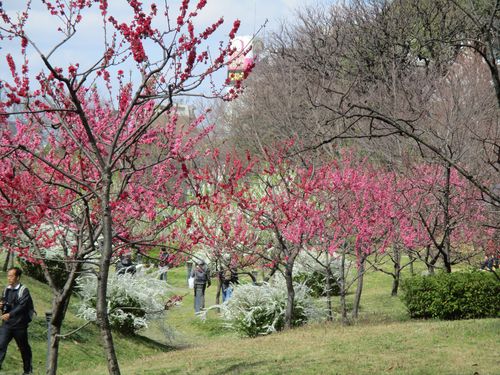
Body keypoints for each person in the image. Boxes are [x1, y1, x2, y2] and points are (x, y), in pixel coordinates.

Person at [0, 267, 34, 375]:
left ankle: (27, 370)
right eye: (8, 275)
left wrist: (10, 314)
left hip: (20, 325)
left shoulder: (24, 290)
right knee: (0, 345)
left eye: (11, 276)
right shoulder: (6, 289)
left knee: (23, 348)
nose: (9, 278)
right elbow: (5, 303)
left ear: (17, 277)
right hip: (7, 325)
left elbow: (22, 306)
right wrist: (1, 305)